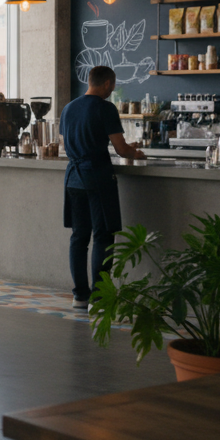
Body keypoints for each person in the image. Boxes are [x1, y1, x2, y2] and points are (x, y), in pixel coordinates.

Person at [59, 65, 144, 311]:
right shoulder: (106, 108)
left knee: (79, 237)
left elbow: (67, 145)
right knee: (104, 236)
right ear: (107, 84)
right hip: (97, 177)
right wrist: (135, 153)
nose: (113, 89)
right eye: (113, 85)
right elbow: (121, 149)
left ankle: (80, 296)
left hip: (73, 178)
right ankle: (100, 297)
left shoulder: (68, 108)